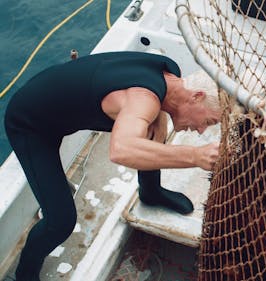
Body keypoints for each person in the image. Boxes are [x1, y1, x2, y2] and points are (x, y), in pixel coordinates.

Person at [4, 51, 221, 281]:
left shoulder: (171, 73)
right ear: (196, 96)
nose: (201, 130)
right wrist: (195, 156)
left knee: (154, 128)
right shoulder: (143, 99)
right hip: (31, 124)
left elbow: (151, 99)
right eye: (208, 122)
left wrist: (160, 115)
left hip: (53, 96)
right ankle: (24, 274)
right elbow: (121, 150)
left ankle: (151, 192)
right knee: (60, 221)